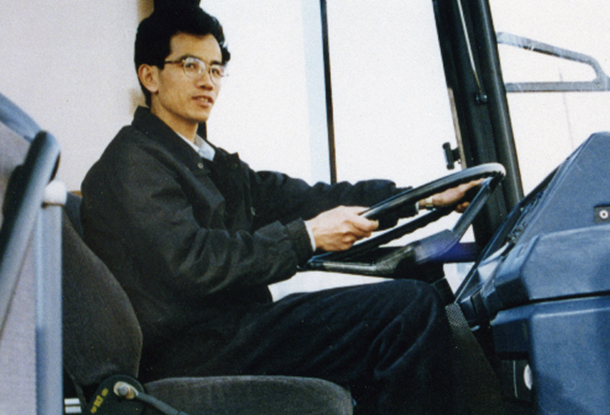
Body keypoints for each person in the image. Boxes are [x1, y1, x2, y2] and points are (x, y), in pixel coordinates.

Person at [81, 5, 479, 414]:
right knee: (407, 310)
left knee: (408, 299)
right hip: (191, 347)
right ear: (150, 76)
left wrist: (420, 198)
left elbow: (305, 199)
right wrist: (307, 236)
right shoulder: (132, 162)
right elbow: (194, 262)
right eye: (190, 65)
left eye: (216, 69)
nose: (207, 81)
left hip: (231, 330)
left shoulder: (207, 161)